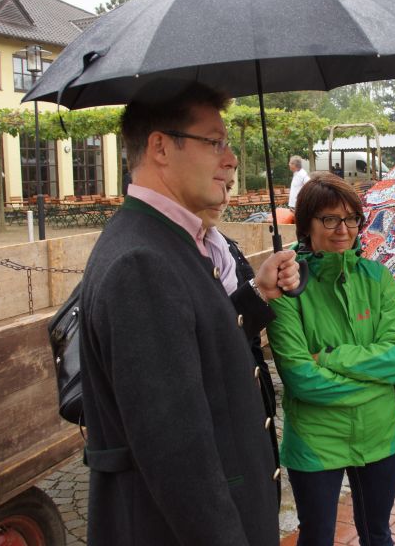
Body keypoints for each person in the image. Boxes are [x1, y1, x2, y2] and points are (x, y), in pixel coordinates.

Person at [78, 82, 299, 545]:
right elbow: (178, 457)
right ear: (161, 147)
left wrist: (258, 293)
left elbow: (200, 349)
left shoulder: (170, 241)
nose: (231, 159)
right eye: (215, 142)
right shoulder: (142, 262)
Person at [267, 174, 395, 546]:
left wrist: (330, 357)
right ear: (307, 224)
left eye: (351, 218)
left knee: (377, 535)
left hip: (380, 435)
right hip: (316, 440)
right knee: (317, 537)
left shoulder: (378, 278)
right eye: (330, 219)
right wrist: (375, 386)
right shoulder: (287, 288)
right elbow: (301, 379)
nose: (343, 229)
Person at [196, 180, 282, 504]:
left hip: (249, 408)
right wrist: (256, 292)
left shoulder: (224, 247)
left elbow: (246, 339)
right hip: (218, 423)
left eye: (229, 184)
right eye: (215, 181)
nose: (223, 195)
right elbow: (204, 344)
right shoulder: (171, 256)